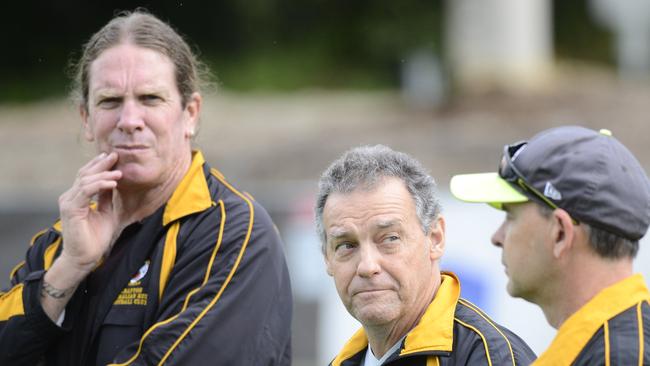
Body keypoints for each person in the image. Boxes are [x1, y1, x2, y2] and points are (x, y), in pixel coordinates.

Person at [0, 10, 292, 365]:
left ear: (191, 113)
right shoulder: (57, 246)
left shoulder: (235, 234)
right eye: (110, 101)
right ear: (86, 119)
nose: (129, 121)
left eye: (150, 99)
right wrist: (71, 267)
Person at [315, 145, 536, 366]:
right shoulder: (343, 361)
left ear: (435, 238)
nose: (367, 265)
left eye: (389, 238)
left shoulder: (493, 359)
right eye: (346, 245)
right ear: (327, 257)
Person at [450, 125, 650, 365]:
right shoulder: (608, 348)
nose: (497, 237)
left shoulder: (617, 357)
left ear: (560, 234)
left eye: (511, 216)